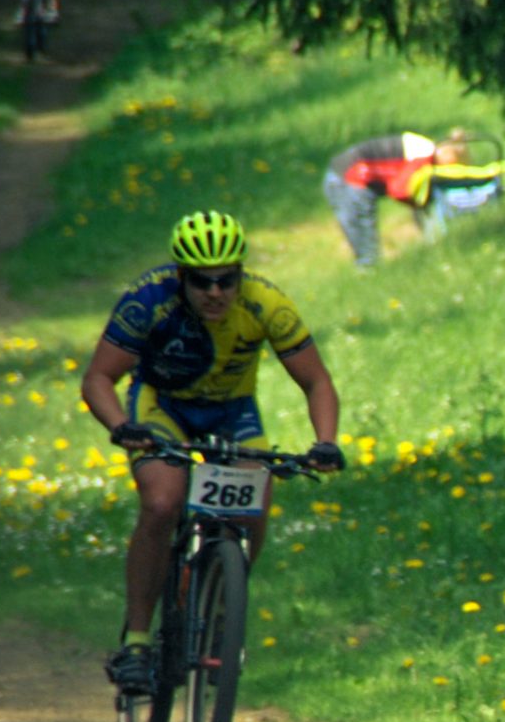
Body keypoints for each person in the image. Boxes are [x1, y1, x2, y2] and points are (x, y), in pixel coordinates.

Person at [80, 210, 344, 692]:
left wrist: (325, 442)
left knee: (254, 498)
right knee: (162, 503)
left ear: (241, 275)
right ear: (181, 277)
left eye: (227, 280)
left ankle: (224, 611)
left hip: (231, 412)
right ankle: (136, 641)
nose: (216, 293)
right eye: (202, 282)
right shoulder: (148, 300)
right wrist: (122, 426)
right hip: (163, 407)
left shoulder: (267, 304)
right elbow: (99, 377)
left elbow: (316, 381)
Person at [322, 127, 505, 269]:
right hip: (351, 176)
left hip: (341, 173)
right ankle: (369, 271)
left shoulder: (423, 146)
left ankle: (369, 269)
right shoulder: (423, 155)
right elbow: (399, 189)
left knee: (357, 230)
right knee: (363, 233)